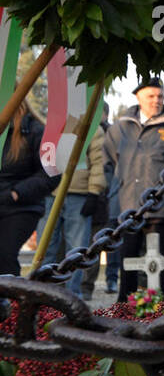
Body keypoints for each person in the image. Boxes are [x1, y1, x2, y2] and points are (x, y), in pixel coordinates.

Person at [103, 77, 164, 301]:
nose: (156, 100)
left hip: (162, 208)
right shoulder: (119, 129)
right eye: (151, 96)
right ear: (138, 97)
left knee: (157, 261)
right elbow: (110, 162)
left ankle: (154, 306)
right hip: (129, 207)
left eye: (160, 96)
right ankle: (125, 305)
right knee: (128, 259)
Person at [32, 121, 107, 295]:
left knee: (76, 250)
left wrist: (94, 191)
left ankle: (72, 294)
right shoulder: (48, 121)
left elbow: (98, 160)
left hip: (79, 194)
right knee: (45, 247)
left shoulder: (92, 125)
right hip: (49, 192)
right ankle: (44, 293)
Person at [0, 100, 58, 276]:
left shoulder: (36, 130)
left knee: (4, 255)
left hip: (21, 206)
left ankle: (12, 301)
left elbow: (51, 174)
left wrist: (17, 193)